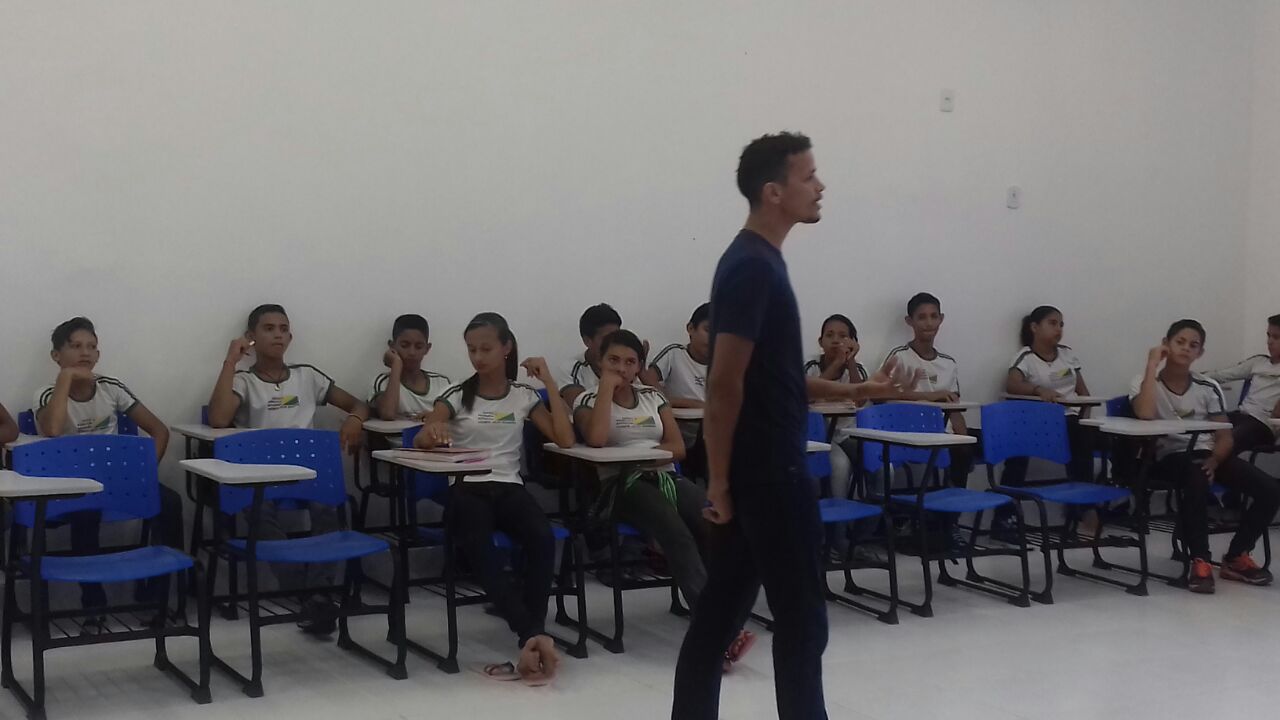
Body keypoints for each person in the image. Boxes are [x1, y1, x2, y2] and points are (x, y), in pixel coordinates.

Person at [672, 132, 906, 720]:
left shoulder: (759, 261)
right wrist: (719, 482)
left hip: (759, 471)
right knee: (803, 622)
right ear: (774, 191)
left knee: (719, 617)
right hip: (768, 474)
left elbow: (771, 379)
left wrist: (856, 390)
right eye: (809, 176)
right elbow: (724, 384)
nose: (820, 186)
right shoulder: (751, 266)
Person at [575, 329, 755, 673]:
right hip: (622, 484)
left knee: (716, 523)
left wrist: (648, 453)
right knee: (676, 534)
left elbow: (678, 448)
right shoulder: (587, 399)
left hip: (665, 476)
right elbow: (596, 439)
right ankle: (715, 633)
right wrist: (605, 390)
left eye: (630, 362)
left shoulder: (652, 397)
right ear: (600, 362)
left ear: (639, 365)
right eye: (613, 361)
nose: (622, 369)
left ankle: (725, 618)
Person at [414, 312, 573, 685]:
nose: (478, 357)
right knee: (481, 548)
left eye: (485, 349)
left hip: (509, 486)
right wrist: (431, 432)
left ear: (506, 348)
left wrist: (549, 382)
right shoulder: (457, 394)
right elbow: (425, 433)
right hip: (466, 486)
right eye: (471, 350)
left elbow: (565, 440)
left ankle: (532, 636)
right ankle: (532, 634)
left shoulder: (523, 396)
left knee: (542, 537)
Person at [207, 303, 371, 635]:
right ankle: (309, 596)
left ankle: (317, 594)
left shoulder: (307, 376)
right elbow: (219, 419)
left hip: (308, 475)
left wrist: (355, 419)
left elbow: (359, 404)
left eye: (283, 329)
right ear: (251, 338)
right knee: (259, 514)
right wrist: (230, 361)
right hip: (260, 478)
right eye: (268, 329)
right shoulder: (243, 381)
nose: (278, 335)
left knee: (329, 509)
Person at [34, 316, 184, 629]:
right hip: (72, 488)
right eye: (76, 346)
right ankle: (94, 605)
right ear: (57, 356)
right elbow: (52, 429)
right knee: (85, 511)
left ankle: (157, 599)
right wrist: (65, 379)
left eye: (91, 347)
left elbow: (159, 431)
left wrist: (143, 475)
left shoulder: (111, 388)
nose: (85, 353)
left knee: (170, 502)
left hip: (116, 482)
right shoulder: (46, 393)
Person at [1130, 319, 1280, 593]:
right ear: (1165, 344)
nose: (1186, 348)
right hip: (1167, 458)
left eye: (1193, 345)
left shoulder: (1207, 386)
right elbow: (1145, 413)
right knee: (1197, 476)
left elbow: (1224, 436)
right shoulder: (1145, 382)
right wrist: (1152, 365)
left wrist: (1216, 460)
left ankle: (1236, 556)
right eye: (1180, 342)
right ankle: (1200, 559)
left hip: (1206, 455)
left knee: (1270, 490)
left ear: (1200, 353)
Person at [994, 306, 1097, 535]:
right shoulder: (1026, 357)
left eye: (1061, 324)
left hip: (1070, 420)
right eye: (1052, 323)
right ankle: (1004, 518)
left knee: (1088, 436)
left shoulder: (1068, 355)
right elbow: (1012, 385)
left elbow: (1083, 392)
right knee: (1017, 454)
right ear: (1034, 327)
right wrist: (1038, 390)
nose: (1058, 329)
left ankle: (1082, 507)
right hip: (1037, 422)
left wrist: (1086, 417)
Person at [882, 292, 975, 488]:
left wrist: (963, 437)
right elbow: (881, 394)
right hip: (911, 430)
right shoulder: (900, 357)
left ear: (941, 319)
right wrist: (931, 396)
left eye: (934, 316)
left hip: (945, 431)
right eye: (922, 317)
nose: (929, 323)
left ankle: (955, 501)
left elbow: (955, 408)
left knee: (973, 444)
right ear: (910, 321)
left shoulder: (948, 363)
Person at [641, 302, 711, 478]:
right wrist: (693, 404)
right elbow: (651, 386)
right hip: (679, 431)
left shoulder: (724, 362)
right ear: (690, 328)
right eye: (708, 330)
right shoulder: (674, 354)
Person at [1205, 314, 1280, 456]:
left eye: (1276, 337)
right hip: (1241, 416)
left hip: (1263, 425)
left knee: (1226, 441)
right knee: (1204, 429)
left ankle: (1208, 465)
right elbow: (1223, 374)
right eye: (1268, 336)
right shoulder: (1258, 362)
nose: (1269, 342)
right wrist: (1192, 378)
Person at [370, 313, 451, 425]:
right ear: (392, 346)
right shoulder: (382, 382)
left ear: (427, 348)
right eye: (404, 345)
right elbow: (388, 414)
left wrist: (433, 416)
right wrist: (396, 365)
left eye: (419, 347)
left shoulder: (442, 383)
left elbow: (455, 420)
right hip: (397, 437)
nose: (412, 352)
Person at [558, 303, 624, 406]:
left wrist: (641, 371)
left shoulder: (626, 363)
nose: (614, 344)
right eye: (607, 339)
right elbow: (580, 407)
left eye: (618, 336)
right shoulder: (571, 369)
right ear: (587, 341)